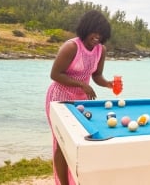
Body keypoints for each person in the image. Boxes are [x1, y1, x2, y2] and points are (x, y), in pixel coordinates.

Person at [45, 10, 117, 185]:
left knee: (79, 142)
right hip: (59, 99)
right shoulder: (72, 47)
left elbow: (96, 75)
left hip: (81, 101)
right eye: (94, 31)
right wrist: (81, 85)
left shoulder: (101, 50)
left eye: (101, 33)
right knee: (62, 143)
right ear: (86, 28)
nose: (97, 36)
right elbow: (55, 74)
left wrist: (108, 84)